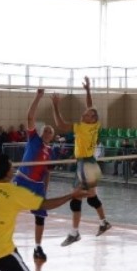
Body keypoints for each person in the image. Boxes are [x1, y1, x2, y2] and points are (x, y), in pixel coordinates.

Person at [50, 76, 112, 245]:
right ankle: (103, 222)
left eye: (88, 114)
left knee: (76, 198)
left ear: (92, 118)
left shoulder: (82, 126)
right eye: (86, 112)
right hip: (90, 163)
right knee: (91, 198)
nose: (85, 113)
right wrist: (88, 90)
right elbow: (91, 107)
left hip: (86, 164)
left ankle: (75, 233)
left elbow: (60, 124)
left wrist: (55, 106)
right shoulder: (95, 125)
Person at [13, 89, 55, 262]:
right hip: (22, 179)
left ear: (52, 137)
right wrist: (38, 97)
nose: (46, 133)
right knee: (8, 206)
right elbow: (30, 117)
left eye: (49, 132)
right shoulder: (33, 139)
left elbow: (47, 173)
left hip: (37, 185)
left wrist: (45, 189)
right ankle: (1, 240)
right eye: (44, 130)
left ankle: (38, 247)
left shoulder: (51, 152)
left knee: (40, 215)